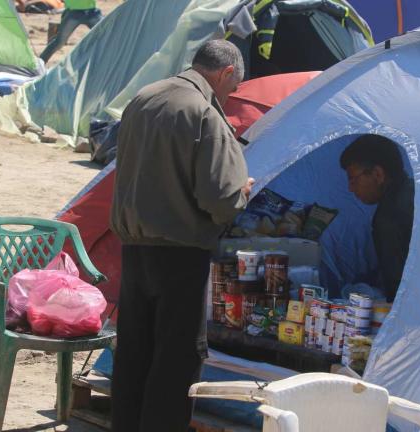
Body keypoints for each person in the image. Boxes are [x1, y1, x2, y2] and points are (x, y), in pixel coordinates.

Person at [109, 40, 253, 432]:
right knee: (175, 360)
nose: (231, 96)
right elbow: (219, 200)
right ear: (225, 74)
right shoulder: (203, 112)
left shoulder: (143, 98)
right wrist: (242, 191)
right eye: (233, 87)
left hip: (134, 250)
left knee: (134, 351)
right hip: (180, 254)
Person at [339, 134, 414, 302]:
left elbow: (396, 280)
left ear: (378, 174)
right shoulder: (415, 193)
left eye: (353, 179)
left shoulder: (391, 215)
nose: (350, 188)